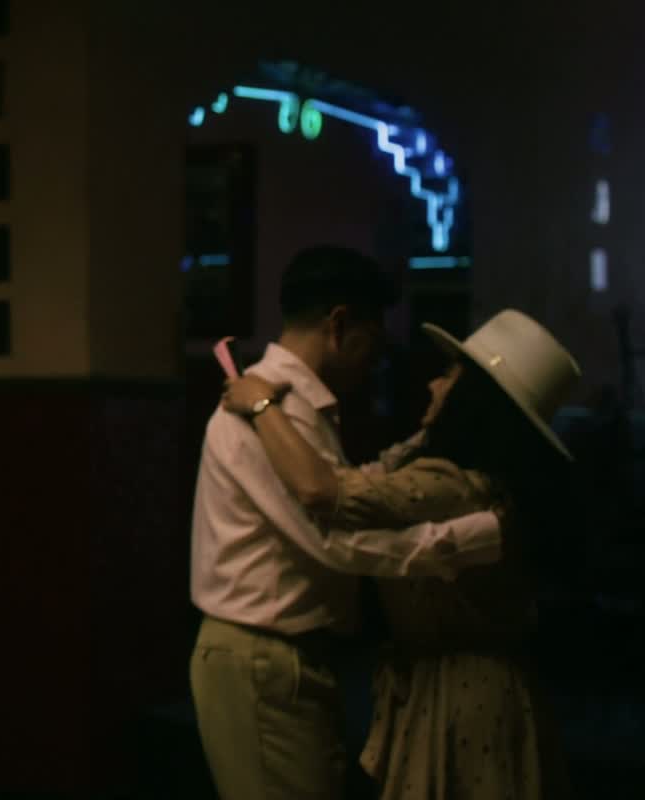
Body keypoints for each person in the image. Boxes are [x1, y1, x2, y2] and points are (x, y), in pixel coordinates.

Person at [188, 246, 507, 800]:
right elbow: (336, 539)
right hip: (262, 657)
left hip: (282, 656)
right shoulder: (268, 410)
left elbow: (350, 489)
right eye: (373, 339)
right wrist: (475, 538)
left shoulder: (293, 406)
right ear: (339, 325)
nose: (376, 359)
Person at [221, 309, 579, 798]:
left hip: (462, 697)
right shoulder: (480, 478)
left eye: (450, 376)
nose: (434, 384)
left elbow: (326, 491)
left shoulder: (453, 485)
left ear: (476, 401)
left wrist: (261, 404)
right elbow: (380, 472)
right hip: (477, 687)